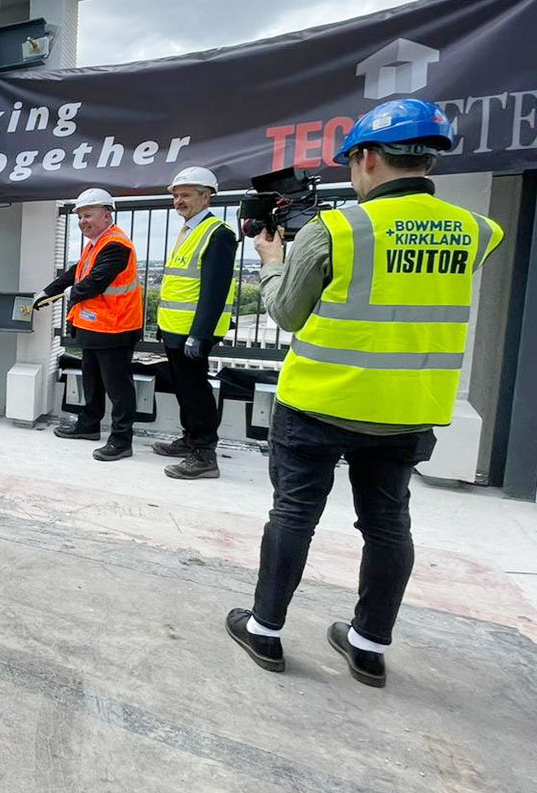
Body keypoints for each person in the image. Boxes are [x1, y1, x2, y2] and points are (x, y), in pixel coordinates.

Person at [227, 98, 502, 688]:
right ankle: (369, 645)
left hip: (321, 402)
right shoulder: (479, 231)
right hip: (406, 410)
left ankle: (266, 631)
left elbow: (287, 313)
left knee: (294, 514)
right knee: (387, 525)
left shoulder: (337, 229)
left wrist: (275, 259)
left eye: (352, 161)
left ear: (370, 158)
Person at [33, 188, 144, 461]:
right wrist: (48, 291)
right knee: (92, 381)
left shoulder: (117, 245)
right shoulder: (96, 243)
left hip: (116, 328)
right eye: (80, 217)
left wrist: (69, 293)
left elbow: (95, 282)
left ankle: (121, 440)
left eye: (88, 215)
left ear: (107, 215)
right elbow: (76, 272)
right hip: (95, 327)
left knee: (118, 387)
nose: (83, 221)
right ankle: (89, 425)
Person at [153, 167, 237, 481]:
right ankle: (191, 439)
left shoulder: (219, 233)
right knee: (184, 388)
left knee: (195, 390)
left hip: (192, 332)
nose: (178, 201)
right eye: (176, 195)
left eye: (185, 195)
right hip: (176, 328)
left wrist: (199, 334)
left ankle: (205, 454)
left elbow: (214, 290)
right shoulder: (189, 229)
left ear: (206, 196)